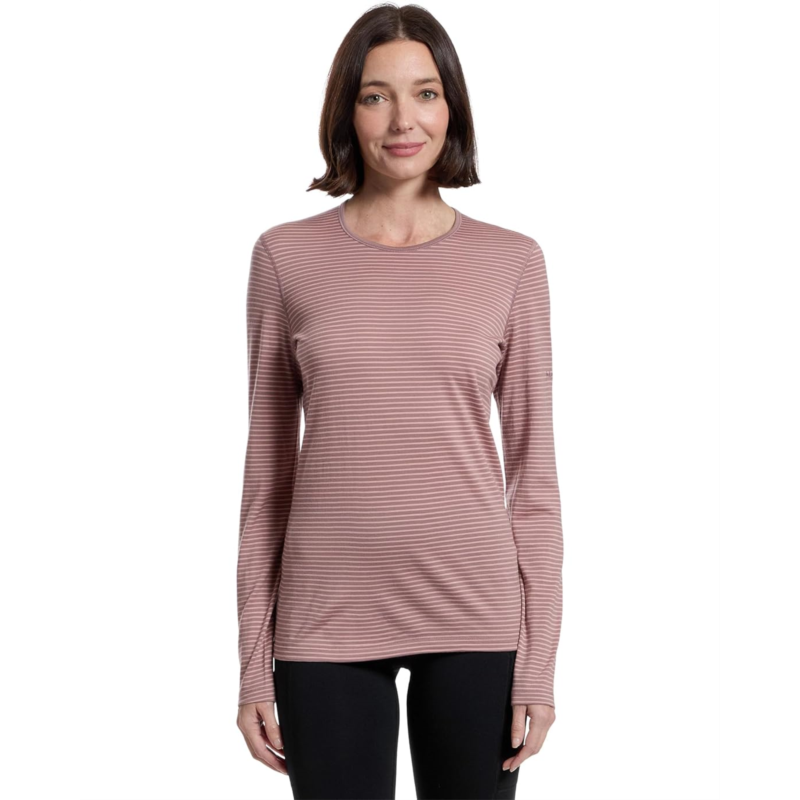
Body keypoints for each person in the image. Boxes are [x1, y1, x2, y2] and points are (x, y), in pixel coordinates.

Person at [235, 5, 564, 799]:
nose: (402, 120)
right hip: (323, 618)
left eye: (425, 93)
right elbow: (266, 479)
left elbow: (535, 480)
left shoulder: (512, 263)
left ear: (452, 107)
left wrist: (540, 663)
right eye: (375, 96)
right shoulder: (285, 257)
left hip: (475, 612)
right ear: (346, 112)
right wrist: (251, 664)